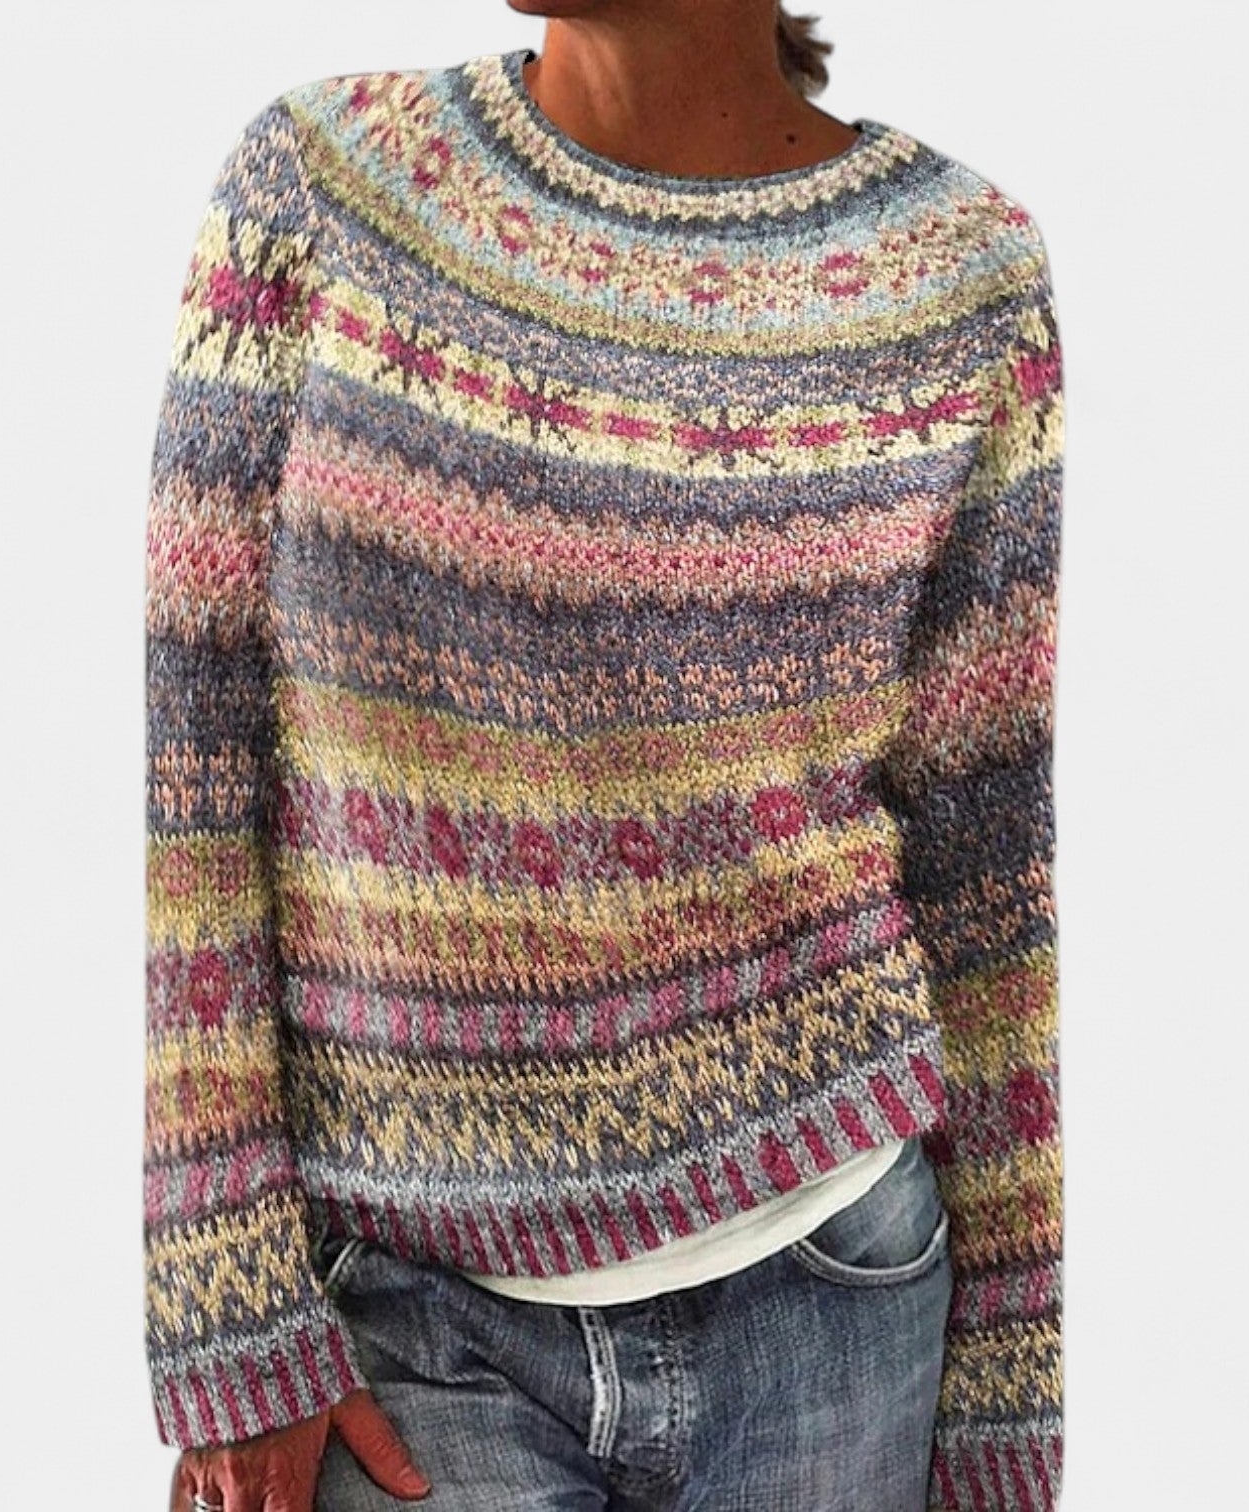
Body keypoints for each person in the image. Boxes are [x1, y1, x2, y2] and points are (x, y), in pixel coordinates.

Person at [142, 3, 1066, 1509]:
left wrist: (1005, 1415)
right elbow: (200, 776)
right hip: (408, 1321)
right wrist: (227, 1311)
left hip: (835, 1298)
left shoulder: (958, 277)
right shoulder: (326, 188)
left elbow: (988, 872)